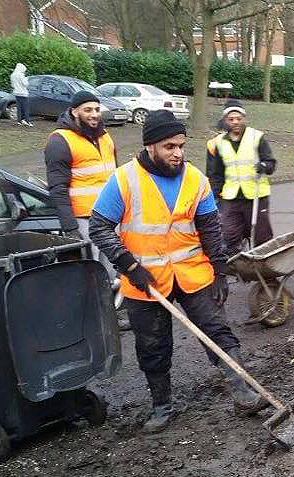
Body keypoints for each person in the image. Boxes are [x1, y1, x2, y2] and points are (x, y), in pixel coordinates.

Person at [87, 110, 268, 433]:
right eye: (170, 146)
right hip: (145, 283)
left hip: (192, 274)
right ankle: (162, 406)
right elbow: (99, 228)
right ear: (151, 147)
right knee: (153, 347)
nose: (178, 153)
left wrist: (219, 268)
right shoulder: (124, 180)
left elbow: (210, 227)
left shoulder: (195, 178)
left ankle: (244, 394)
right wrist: (129, 265)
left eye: (181, 145)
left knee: (218, 332)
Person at [44, 90, 129, 330]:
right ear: (74, 112)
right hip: (84, 219)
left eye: (96, 109)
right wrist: (70, 227)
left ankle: (109, 317)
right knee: (89, 273)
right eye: (87, 110)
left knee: (111, 270)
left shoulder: (106, 138)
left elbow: (116, 177)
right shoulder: (60, 141)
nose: (94, 114)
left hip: (111, 217)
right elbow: (57, 188)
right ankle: (90, 323)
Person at [206, 99, 277, 253]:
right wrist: (215, 196)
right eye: (231, 119)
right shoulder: (219, 143)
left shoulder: (256, 137)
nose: (235, 122)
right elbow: (216, 173)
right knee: (229, 236)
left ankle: (266, 273)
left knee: (261, 237)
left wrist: (264, 166)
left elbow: (271, 163)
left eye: (239, 118)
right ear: (225, 121)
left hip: (256, 195)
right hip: (231, 198)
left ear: (244, 119)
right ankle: (237, 271)